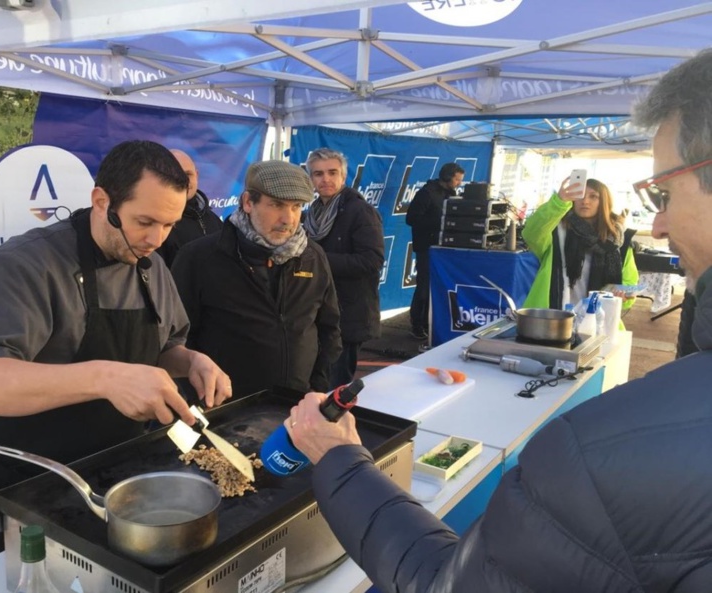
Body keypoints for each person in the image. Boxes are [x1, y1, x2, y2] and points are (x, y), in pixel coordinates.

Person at [279, 49, 712, 591]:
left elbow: (451, 581)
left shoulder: (597, 454)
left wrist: (342, 460)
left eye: (665, 192)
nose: (663, 223)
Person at [0, 140, 232, 566]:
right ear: (101, 200)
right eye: (144, 221)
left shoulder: (151, 267)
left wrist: (191, 361)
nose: (156, 239)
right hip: (14, 494)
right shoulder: (25, 266)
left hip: (108, 488)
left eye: (169, 225)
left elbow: (166, 345)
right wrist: (104, 377)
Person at [172, 159, 341, 400]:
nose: (288, 219)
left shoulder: (313, 256)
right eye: (277, 205)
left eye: (296, 207)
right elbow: (178, 338)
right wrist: (201, 397)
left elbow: (329, 328)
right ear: (248, 202)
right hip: (225, 410)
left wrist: (317, 385)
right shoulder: (199, 258)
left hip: (296, 405)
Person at [303, 148, 384, 388]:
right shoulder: (310, 213)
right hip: (316, 312)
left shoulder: (361, 211)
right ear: (311, 178)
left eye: (332, 172)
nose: (325, 179)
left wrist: (318, 259)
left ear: (343, 176)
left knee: (334, 390)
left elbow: (372, 261)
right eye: (318, 173)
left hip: (347, 316)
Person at [522, 177, 639, 312]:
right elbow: (531, 233)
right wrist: (559, 202)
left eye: (593, 196)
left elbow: (629, 284)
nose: (585, 201)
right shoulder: (554, 232)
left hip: (598, 322)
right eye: (579, 196)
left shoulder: (619, 240)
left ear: (604, 202)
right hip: (552, 318)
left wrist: (623, 296)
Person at [405, 163, 464, 339]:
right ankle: (417, 323)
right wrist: (438, 223)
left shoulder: (452, 194)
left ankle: (429, 321)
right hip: (427, 247)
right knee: (424, 287)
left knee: (437, 287)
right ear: (447, 177)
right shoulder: (427, 193)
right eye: (457, 179)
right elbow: (412, 218)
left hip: (443, 247)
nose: (459, 183)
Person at [156, 149, 223, 268]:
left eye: (188, 174)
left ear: (196, 175)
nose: (183, 181)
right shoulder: (157, 223)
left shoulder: (213, 219)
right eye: (175, 175)